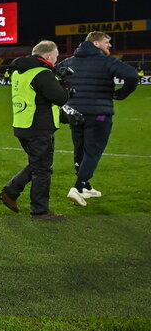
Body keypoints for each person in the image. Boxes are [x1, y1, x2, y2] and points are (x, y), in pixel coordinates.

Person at [57, 31, 139, 206]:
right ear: (96, 43)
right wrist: (122, 93)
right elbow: (132, 75)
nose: (109, 45)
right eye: (106, 42)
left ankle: (86, 185)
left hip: (74, 114)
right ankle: (78, 187)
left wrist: (67, 99)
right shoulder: (105, 61)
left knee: (79, 149)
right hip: (99, 115)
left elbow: (55, 77)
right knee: (92, 151)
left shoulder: (69, 61)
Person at [0, 41, 73, 221]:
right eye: (55, 57)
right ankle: (39, 211)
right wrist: (65, 84)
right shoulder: (42, 73)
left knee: (38, 164)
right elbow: (60, 98)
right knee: (42, 170)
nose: (55, 61)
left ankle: (10, 192)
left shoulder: (18, 71)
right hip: (39, 126)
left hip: (22, 124)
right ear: (47, 57)